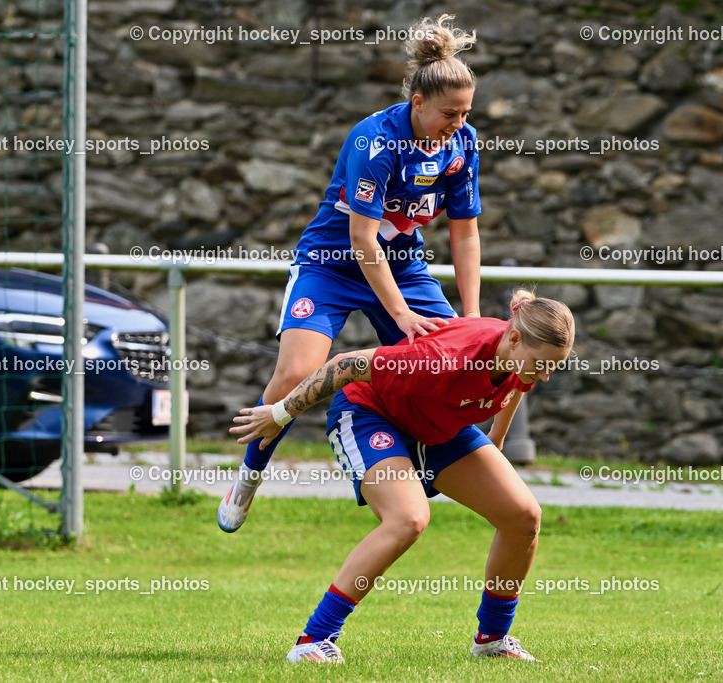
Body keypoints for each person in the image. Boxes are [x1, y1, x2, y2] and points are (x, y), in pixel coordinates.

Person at [219, 14, 484, 533]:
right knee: (297, 375)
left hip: (403, 266)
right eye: (449, 113)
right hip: (332, 264)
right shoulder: (375, 142)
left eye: (466, 113)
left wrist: (470, 316)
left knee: (447, 364)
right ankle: (249, 475)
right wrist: (402, 315)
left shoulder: (462, 144)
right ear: (418, 104)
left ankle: (421, 470)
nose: (458, 123)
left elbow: (465, 232)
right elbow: (363, 241)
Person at [230, 290, 575, 663]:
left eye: (554, 366)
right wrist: (280, 413)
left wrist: (497, 437)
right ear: (513, 338)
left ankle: (491, 640)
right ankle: (313, 640)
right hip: (370, 413)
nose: (545, 376)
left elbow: (516, 387)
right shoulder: (444, 359)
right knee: (407, 519)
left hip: (438, 423)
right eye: (542, 364)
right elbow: (346, 365)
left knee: (523, 517)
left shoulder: (520, 355)